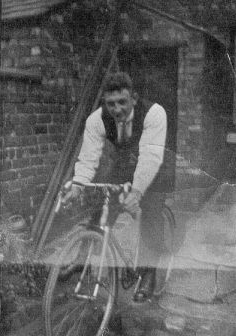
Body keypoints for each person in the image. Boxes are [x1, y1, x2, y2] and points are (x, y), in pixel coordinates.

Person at [63, 71, 167, 302]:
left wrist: (138, 192)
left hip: (156, 162)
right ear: (104, 103)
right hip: (126, 163)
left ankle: (149, 274)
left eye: (122, 102)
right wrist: (78, 184)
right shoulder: (96, 120)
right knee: (103, 205)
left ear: (134, 98)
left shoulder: (154, 113)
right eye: (110, 104)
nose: (117, 109)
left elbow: (150, 158)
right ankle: (83, 259)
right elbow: (89, 157)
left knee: (151, 211)